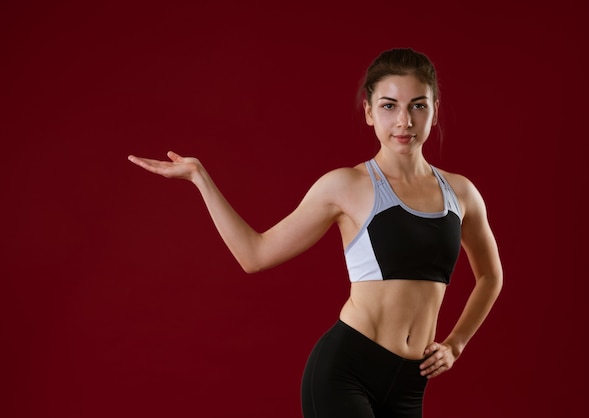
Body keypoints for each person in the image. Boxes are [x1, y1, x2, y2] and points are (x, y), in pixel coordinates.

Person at [128, 48, 503, 418]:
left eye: (417, 105)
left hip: (409, 384)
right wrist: (200, 178)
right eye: (389, 106)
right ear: (369, 112)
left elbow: (490, 276)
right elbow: (254, 255)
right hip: (346, 373)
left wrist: (455, 344)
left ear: (434, 109)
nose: (404, 120)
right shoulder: (347, 185)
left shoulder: (461, 193)